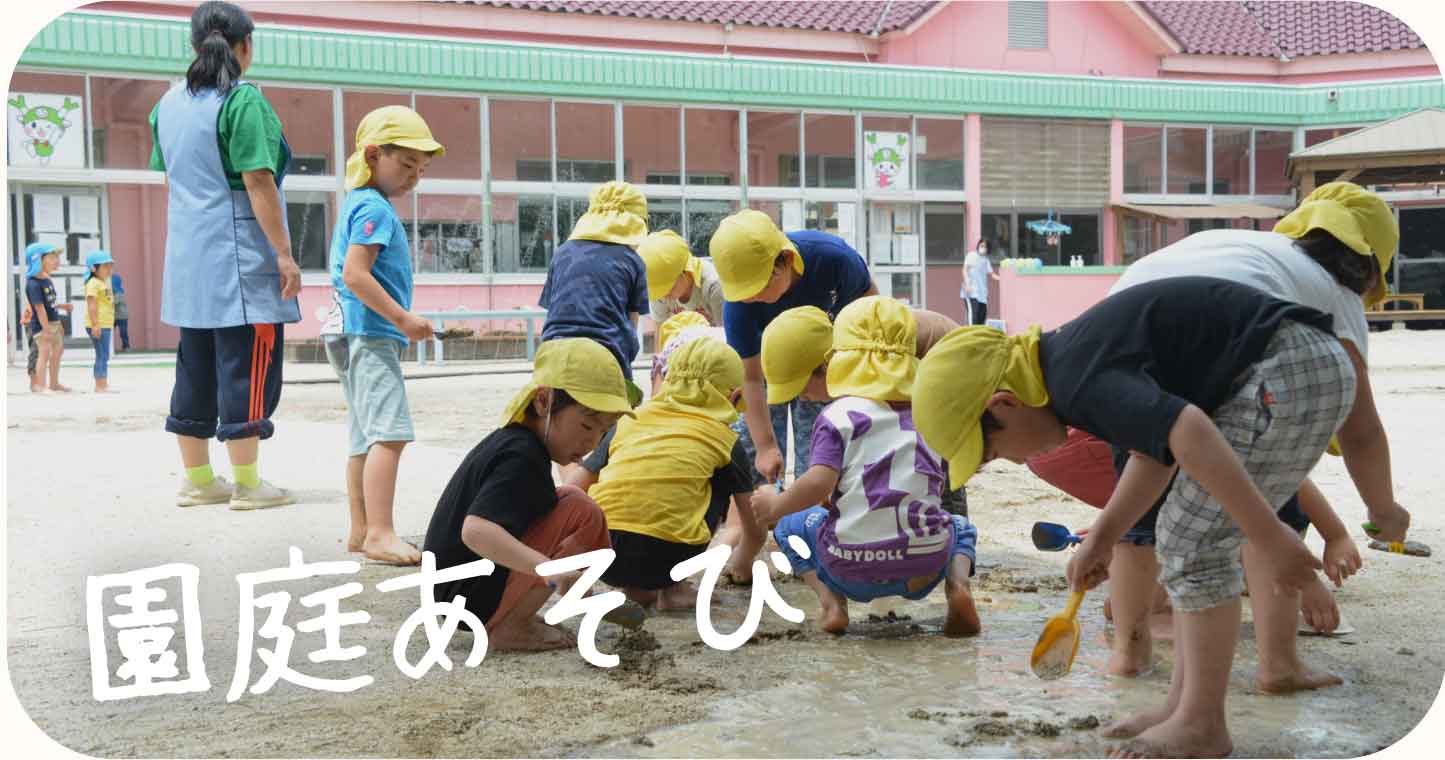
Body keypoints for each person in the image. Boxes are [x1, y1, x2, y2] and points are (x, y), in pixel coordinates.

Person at [913, 278, 1354, 758]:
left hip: (1289, 367)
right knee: (1183, 535)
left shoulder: (1077, 380)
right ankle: (1183, 708)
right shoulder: (1070, 367)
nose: (1016, 462)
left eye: (995, 451)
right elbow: (1156, 453)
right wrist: (1102, 538)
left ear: (1005, 403)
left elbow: (1189, 430)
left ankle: (1202, 723)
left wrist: (1266, 534)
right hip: (1295, 362)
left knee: (1194, 540)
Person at [1025, 182, 1406, 689]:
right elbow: (1361, 431)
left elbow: (1157, 450)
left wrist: (1100, 537)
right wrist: (1384, 512)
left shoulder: (1247, 246)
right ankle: (1279, 665)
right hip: (1235, 348)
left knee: (1144, 515)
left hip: (1126, 346)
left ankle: (1129, 655)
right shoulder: (1332, 290)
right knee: (1266, 512)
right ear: (1370, 269)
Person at [752, 297, 981, 636]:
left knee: (790, 526)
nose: (802, 398)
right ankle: (957, 587)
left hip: (848, 571)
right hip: (923, 570)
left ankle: (832, 603)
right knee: (960, 526)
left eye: (802, 389)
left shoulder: (836, 417)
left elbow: (817, 484)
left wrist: (775, 506)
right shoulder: (929, 412)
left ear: (836, 362)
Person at [150, 1, 301, 510]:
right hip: (239, 257)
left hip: (189, 260)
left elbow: (176, 177)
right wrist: (283, 253)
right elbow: (258, 179)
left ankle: (197, 478)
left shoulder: (165, 106)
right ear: (245, 46)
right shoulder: (244, 103)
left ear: (195, 47)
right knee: (248, 364)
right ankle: (249, 484)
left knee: (194, 365)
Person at [421, 338, 633, 651]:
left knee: (576, 503)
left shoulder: (520, 444)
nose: (593, 442)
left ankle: (517, 613)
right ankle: (510, 625)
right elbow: (476, 530)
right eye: (587, 426)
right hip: (466, 597)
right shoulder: (520, 455)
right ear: (543, 402)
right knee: (580, 513)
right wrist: (552, 570)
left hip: (463, 589)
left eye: (604, 432)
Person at [321, 105, 445, 566]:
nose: (415, 175)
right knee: (389, 434)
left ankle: (361, 529)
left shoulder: (360, 202)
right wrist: (403, 319)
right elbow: (356, 274)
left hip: (349, 330)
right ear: (373, 154)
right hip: (369, 332)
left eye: (422, 168)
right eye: (406, 164)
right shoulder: (374, 208)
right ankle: (380, 532)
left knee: (364, 436)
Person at [567, 335, 759, 609]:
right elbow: (752, 524)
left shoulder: (629, 422)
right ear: (733, 396)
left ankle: (635, 588)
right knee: (716, 478)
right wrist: (743, 565)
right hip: (666, 559)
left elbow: (575, 486)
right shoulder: (725, 439)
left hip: (602, 554)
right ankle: (673, 589)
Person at [710, 209, 876, 486]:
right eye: (744, 294)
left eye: (759, 288)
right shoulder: (738, 304)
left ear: (786, 260)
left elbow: (871, 311)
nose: (752, 299)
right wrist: (765, 446)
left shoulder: (832, 259)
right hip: (768, 371)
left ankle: (812, 512)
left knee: (819, 447)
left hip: (821, 367)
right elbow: (750, 378)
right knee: (758, 458)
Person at [757, 303, 968, 517]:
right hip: (929, 382)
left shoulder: (870, 363)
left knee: (937, 476)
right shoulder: (853, 355)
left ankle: (950, 526)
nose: (803, 398)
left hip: (957, 381)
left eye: (802, 390)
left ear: (825, 364)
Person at [538, 181, 650, 401]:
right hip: (607, 357)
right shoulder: (632, 261)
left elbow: (554, 310)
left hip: (553, 354)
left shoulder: (562, 253)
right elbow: (631, 322)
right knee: (615, 427)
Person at [638, 229, 726, 326]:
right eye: (659, 292)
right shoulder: (657, 289)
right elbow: (660, 332)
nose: (664, 296)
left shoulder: (713, 286)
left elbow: (725, 335)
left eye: (668, 289)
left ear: (684, 273)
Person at [23, 242, 72, 393]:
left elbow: (51, 303)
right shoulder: (33, 284)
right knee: (43, 353)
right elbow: (39, 308)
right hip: (42, 325)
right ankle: (40, 385)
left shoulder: (47, 280)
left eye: (56, 257)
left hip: (54, 323)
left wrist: (61, 310)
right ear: (38, 260)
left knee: (58, 351)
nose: (56, 261)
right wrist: (46, 329)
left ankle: (54, 383)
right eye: (52, 258)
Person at [83, 250, 117, 393]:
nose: (109, 269)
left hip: (105, 324)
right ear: (93, 268)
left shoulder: (102, 282)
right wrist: (95, 324)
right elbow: (92, 304)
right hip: (98, 324)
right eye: (105, 266)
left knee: (104, 354)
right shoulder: (93, 283)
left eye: (110, 266)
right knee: (101, 354)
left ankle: (103, 382)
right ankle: (100, 385)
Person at [961, 239, 998, 326]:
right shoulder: (971, 255)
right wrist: (967, 284)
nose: (983, 248)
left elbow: (992, 274)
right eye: (981, 246)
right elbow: (964, 270)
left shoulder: (985, 260)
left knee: (981, 316)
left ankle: (978, 337)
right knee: (973, 316)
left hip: (982, 294)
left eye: (985, 247)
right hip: (971, 292)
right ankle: (970, 336)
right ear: (978, 246)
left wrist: (1004, 278)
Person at [111, 272, 130, 352]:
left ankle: (126, 346)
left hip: (122, 316)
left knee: (123, 332)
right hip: (112, 316)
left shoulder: (119, 293)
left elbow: (114, 302)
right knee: (109, 332)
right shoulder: (109, 292)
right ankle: (108, 347)